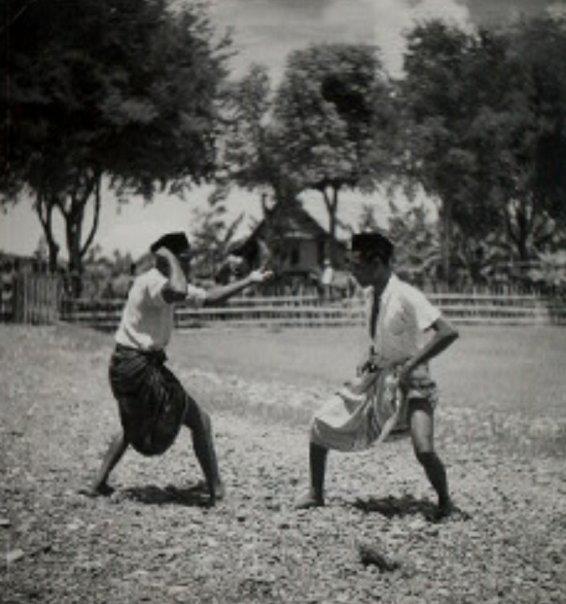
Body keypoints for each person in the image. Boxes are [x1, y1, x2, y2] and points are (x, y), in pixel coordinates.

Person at [87, 231, 272, 505]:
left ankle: (98, 483)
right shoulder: (152, 282)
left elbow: (210, 297)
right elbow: (179, 290)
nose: (189, 264)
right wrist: (170, 259)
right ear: (169, 258)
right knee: (200, 420)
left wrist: (249, 279)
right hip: (137, 366)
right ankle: (216, 488)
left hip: (129, 364)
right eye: (185, 259)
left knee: (133, 422)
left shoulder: (166, 281)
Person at [295, 231, 460, 521]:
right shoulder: (372, 297)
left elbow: (448, 332)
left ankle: (446, 503)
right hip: (380, 379)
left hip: (414, 381)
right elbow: (381, 345)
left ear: (377, 263)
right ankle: (316, 493)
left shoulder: (407, 295)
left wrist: (410, 366)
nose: (353, 271)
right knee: (321, 421)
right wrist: (367, 367)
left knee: (424, 449)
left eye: (357, 265)